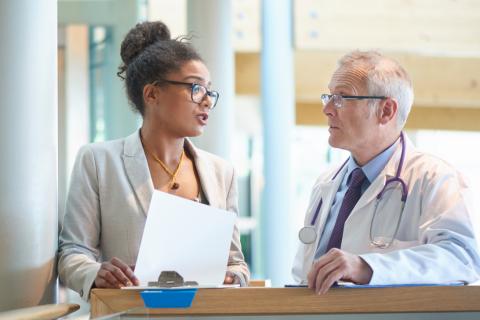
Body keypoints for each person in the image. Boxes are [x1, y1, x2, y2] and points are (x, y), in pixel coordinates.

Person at [58, 21, 249, 300]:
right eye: (195, 88)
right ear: (152, 94)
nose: (207, 100)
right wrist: (95, 272)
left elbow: (236, 263)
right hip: (128, 314)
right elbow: (73, 254)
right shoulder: (98, 162)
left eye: (209, 91)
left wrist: (233, 276)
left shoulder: (222, 173)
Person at [292, 50, 480, 294]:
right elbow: (303, 272)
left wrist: (367, 267)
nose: (327, 109)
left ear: (387, 111)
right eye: (328, 96)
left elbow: (460, 258)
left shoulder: (435, 179)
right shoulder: (326, 182)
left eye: (342, 98)